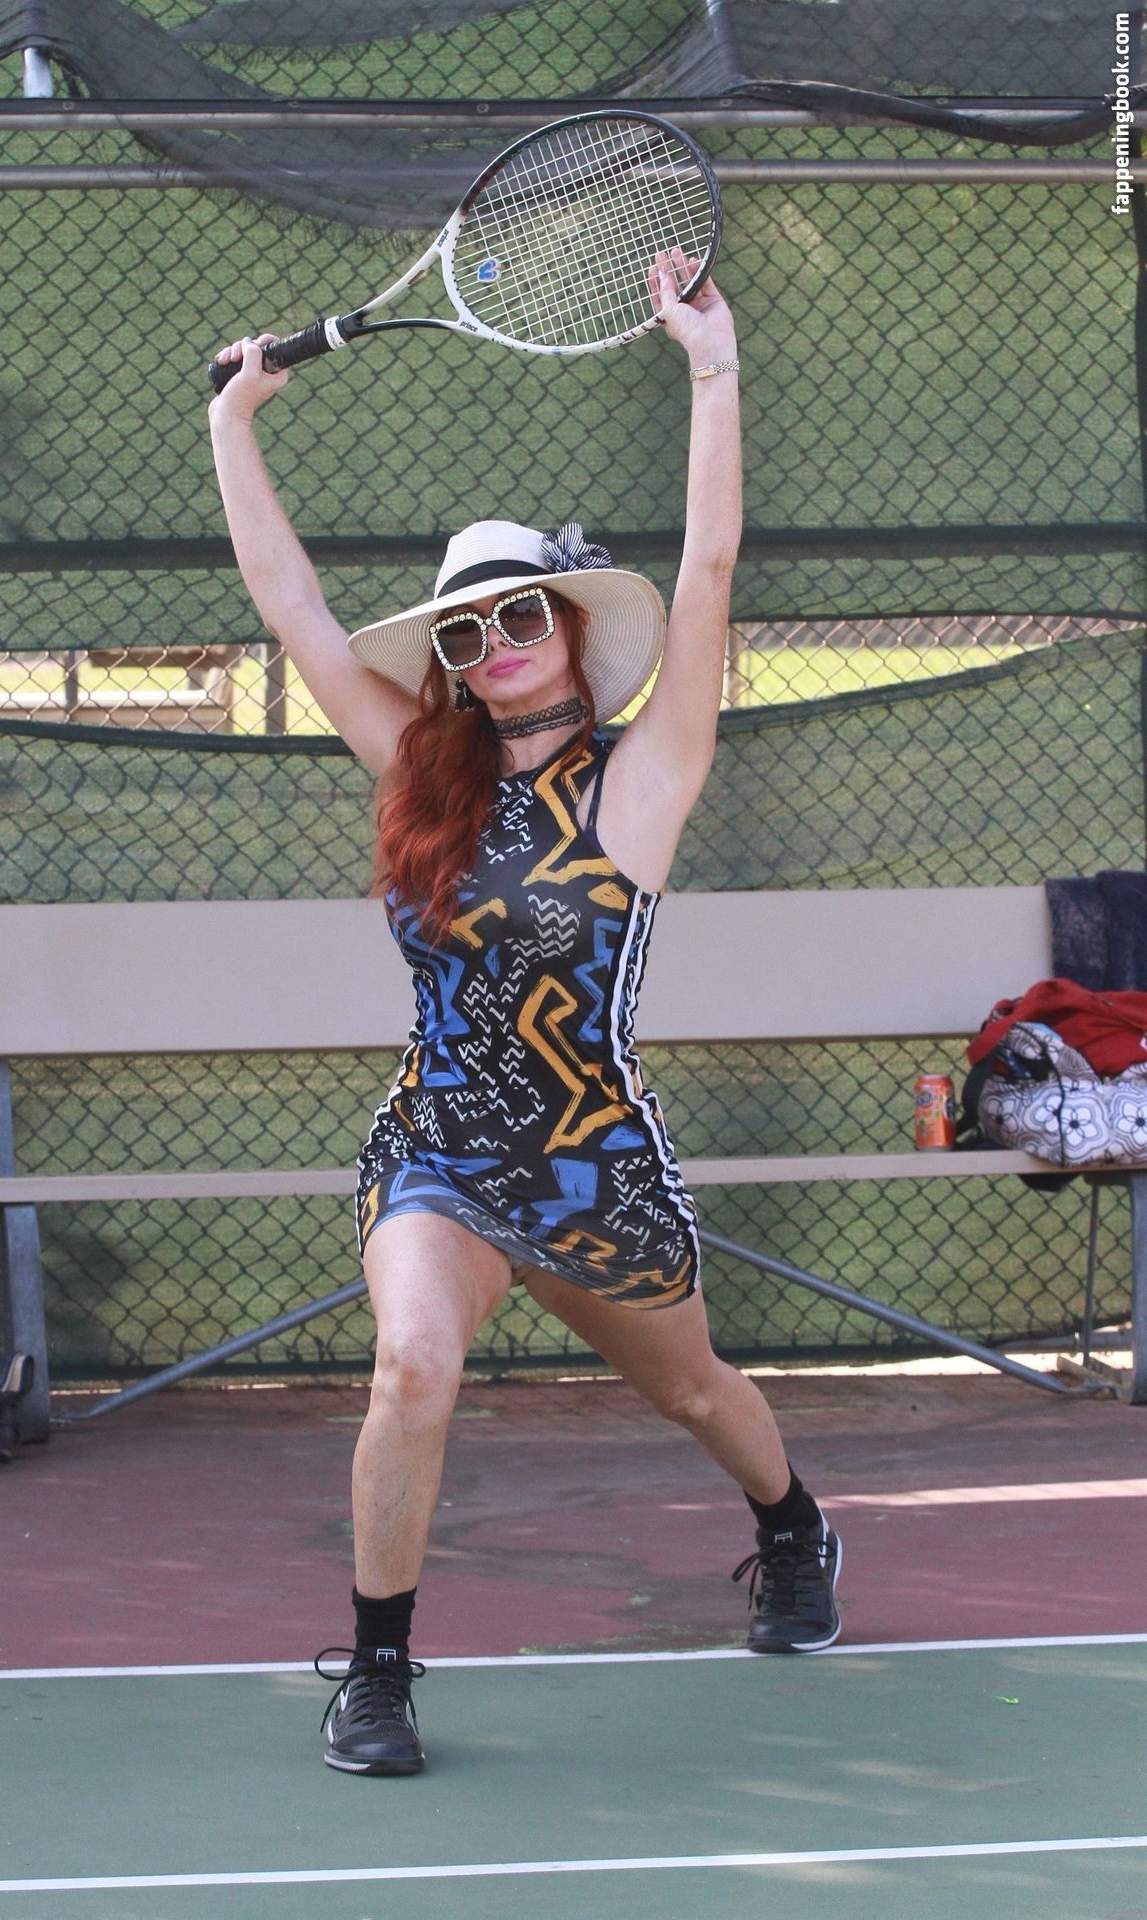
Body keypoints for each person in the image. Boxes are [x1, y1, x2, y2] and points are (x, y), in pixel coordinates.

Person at [209, 249, 841, 1780]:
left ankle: (792, 1525)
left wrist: (710, 364)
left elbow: (707, 574)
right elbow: (294, 608)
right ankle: (378, 1674)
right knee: (412, 1363)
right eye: (464, 635)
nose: (490, 649)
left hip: (592, 1160)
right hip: (439, 1144)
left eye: (514, 621)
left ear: (566, 627)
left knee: (693, 1388)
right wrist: (234, 421)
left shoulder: (645, 778)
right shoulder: (423, 773)